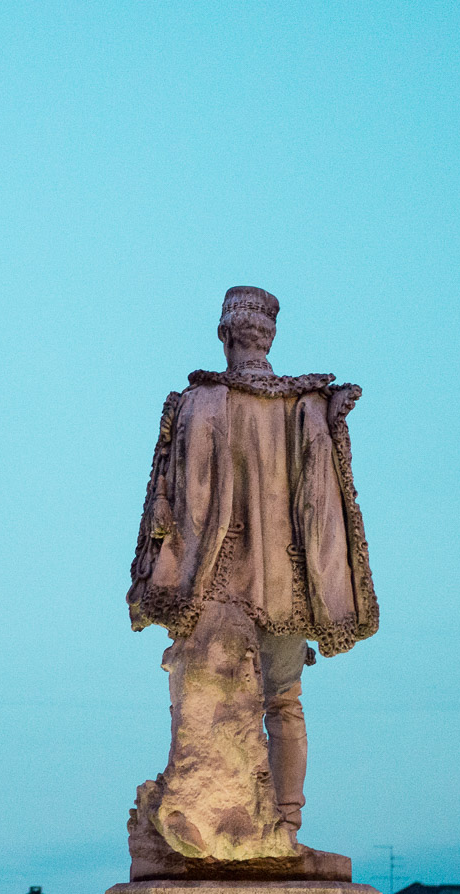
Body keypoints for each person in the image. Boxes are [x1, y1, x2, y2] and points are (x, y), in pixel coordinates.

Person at [127, 286, 377, 860]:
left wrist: (333, 421)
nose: (257, 334)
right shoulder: (260, 403)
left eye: (255, 326)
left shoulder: (254, 403)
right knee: (254, 696)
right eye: (255, 326)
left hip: (244, 581)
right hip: (251, 580)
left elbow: (184, 498)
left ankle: (267, 823)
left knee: (242, 696)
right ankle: (260, 820)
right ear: (247, 333)